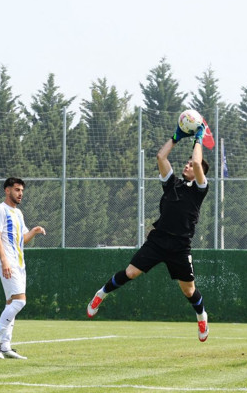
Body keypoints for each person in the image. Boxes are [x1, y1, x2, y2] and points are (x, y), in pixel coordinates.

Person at [86, 118, 215, 342]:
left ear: (200, 173)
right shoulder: (171, 183)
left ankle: (201, 315)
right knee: (130, 273)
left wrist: (198, 137)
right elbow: (160, 157)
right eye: (185, 164)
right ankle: (101, 294)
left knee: (188, 291)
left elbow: (197, 162)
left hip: (180, 246)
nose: (187, 166)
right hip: (158, 240)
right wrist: (176, 137)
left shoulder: (200, 190)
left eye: (191, 165)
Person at [0, 177, 46, 360]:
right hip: (8, 262)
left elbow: (22, 240)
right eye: (17, 190)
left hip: (20, 264)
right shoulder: (0, 210)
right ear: (7, 190)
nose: (20, 193)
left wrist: (33, 232)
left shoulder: (18, 214)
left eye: (22, 190)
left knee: (11, 303)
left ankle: (5, 346)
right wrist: (4, 260)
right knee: (20, 302)